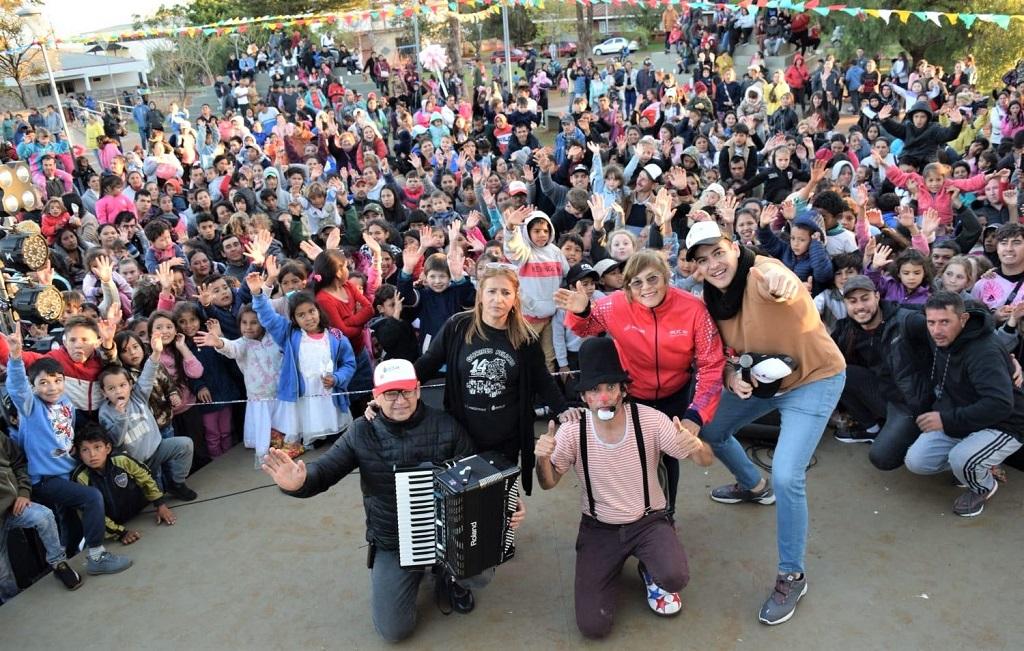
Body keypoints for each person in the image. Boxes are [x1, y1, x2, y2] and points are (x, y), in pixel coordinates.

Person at [261, 359, 524, 642]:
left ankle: (448, 578)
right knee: (394, 631)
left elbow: (477, 480)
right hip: (392, 540)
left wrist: (505, 504)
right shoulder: (361, 431)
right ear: (376, 396)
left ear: (418, 390)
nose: (400, 400)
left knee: (480, 572)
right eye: (390, 393)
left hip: (449, 535)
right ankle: (411, 574)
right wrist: (300, 482)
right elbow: (325, 470)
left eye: (407, 391)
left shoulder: (447, 426)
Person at [686, 221, 846, 625]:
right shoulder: (711, 301)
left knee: (789, 476)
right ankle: (755, 486)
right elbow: (720, 357)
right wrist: (730, 376)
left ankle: (792, 575)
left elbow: (781, 280)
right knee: (712, 429)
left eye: (718, 253)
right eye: (703, 260)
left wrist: (784, 283)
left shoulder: (763, 273)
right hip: (764, 383)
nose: (714, 264)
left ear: (735, 249)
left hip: (815, 379)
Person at [534, 337, 711, 637]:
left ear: (622, 391)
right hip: (599, 528)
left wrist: (695, 446)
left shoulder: (650, 420)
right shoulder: (572, 431)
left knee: (675, 576)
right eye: (595, 390)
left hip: (648, 521)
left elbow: (705, 460)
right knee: (593, 627)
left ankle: (648, 568)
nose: (604, 397)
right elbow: (548, 483)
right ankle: (606, 569)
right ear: (585, 398)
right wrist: (542, 458)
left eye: (610, 388)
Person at [554, 249, 725, 514]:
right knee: (635, 455)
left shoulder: (694, 309)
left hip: (675, 394)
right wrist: (582, 310)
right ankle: (630, 513)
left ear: (666, 277)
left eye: (653, 279)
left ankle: (666, 513)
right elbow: (588, 329)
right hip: (634, 393)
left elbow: (711, 365)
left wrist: (697, 414)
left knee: (670, 456)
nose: (646, 288)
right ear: (628, 286)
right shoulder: (614, 305)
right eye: (637, 282)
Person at [412, 264, 571, 494]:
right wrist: (393, 392)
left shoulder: (525, 336)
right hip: (463, 433)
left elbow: (542, 379)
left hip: (506, 435)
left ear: (515, 297)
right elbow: (426, 365)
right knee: (464, 498)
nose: (498, 299)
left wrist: (563, 410)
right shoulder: (457, 326)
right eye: (492, 291)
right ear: (480, 295)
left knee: (500, 497)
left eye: (506, 293)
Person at [3, 329, 132, 575]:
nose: (51, 387)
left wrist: (71, 446)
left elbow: (65, 431)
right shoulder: (31, 407)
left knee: (69, 519)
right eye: (43, 382)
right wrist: (17, 357)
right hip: (46, 479)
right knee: (91, 497)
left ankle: (70, 555)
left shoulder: (66, 403)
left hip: (68, 470)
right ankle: (96, 556)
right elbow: (18, 387)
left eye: (57, 381)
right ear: (34, 386)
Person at [903, 292, 1024, 516]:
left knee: (962, 459)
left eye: (945, 322)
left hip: (1004, 423)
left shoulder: (984, 351)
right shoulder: (939, 334)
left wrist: (945, 418)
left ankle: (983, 485)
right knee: (916, 462)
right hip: (963, 413)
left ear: (964, 319)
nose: (936, 330)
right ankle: (977, 462)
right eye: (931, 322)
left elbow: (1000, 404)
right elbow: (898, 311)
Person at [0, 428, 83, 600]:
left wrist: (23, 492)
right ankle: (11, 600)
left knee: (43, 516)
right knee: (3, 574)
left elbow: (18, 462)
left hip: (12, 507)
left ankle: (58, 563)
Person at [70, 424, 179, 545]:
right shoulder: (80, 478)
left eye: (97, 447)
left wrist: (160, 505)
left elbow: (146, 479)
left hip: (140, 513)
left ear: (108, 448)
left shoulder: (122, 460)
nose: (92, 454)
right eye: (85, 450)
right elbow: (91, 514)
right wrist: (121, 533)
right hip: (112, 528)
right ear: (79, 454)